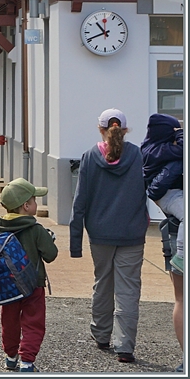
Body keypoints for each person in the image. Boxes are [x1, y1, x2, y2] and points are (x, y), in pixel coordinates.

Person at [69, 108, 148, 363]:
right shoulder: (137, 155)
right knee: (128, 289)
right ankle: (125, 347)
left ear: (100, 129)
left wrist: (75, 242)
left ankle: (102, 335)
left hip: (100, 234)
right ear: (124, 131)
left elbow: (80, 201)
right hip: (132, 233)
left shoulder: (90, 157)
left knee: (103, 283)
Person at [0, 178, 59, 372]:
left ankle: (11, 357)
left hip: (8, 288)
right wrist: (49, 240)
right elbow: (51, 255)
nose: (36, 203)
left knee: (10, 322)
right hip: (33, 287)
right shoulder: (36, 230)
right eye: (34, 200)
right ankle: (27, 362)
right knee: (33, 323)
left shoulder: (0, 230)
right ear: (26, 206)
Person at [141, 112, 184, 371]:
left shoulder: (152, 148)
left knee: (181, 299)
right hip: (178, 234)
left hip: (173, 228)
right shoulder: (161, 150)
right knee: (181, 299)